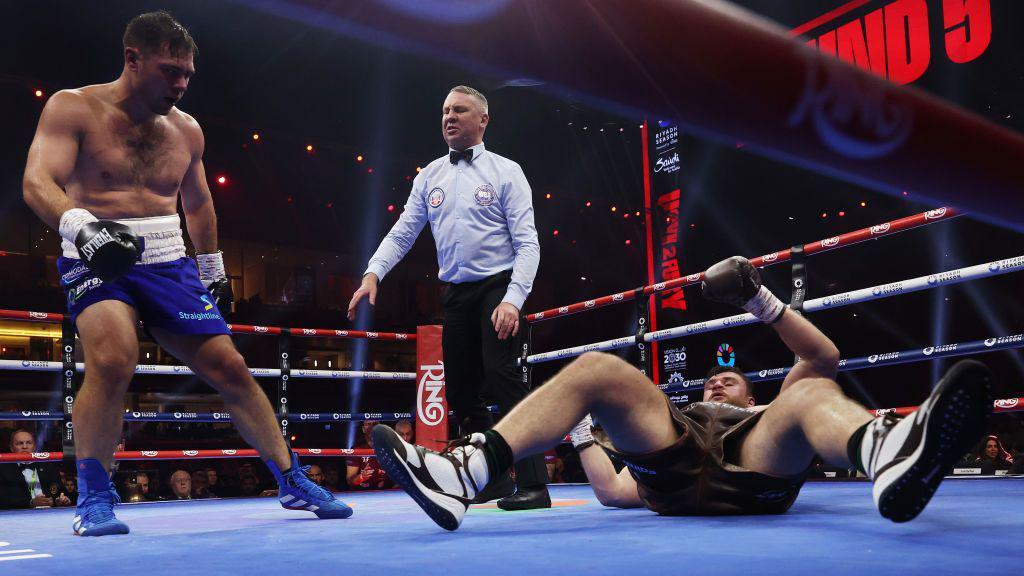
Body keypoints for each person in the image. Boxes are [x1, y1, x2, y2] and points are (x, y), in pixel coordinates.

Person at [20, 11, 351, 535]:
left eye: (187, 75)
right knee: (113, 358)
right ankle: (94, 499)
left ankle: (291, 480)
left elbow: (198, 204)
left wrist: (214, 267)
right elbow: (37, 181)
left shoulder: (186, 130)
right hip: (98, 254)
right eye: (170, 71)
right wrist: (83, 229)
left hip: (170, 261)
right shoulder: (74, 107)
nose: (180, 84)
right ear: (133, 59)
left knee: (231, 368)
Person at [373, 256, 994, 530]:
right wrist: (588, 423)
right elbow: (617, 494)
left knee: (810, 394)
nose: (717, 380)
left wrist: (758, 297)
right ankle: (463, 474)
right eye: (710, 380)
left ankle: (889, 454)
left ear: (749, 392)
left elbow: (824, 356)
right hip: (674, 465)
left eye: (729, 379)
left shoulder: (768, 412)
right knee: (597, 368)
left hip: (754, 464)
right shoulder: (680, 413)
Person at [349, 85, 548, 510]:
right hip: (456, 293)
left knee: (503, 376)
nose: (449, 117)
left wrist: (513, 299)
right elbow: (404, 230)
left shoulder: (507, 171)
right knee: (459, 392)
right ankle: (492, 481)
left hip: (499, 285)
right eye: (445, 111)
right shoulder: (430, 175)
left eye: (460, 110)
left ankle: (535, 484)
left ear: (483, 120)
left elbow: (528, 243)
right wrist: (373, 272)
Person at [0, 429, 72, 509]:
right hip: (18, 516)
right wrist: (30, 503)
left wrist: (62, 500)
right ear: (11, 448)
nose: (25, 447)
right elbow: (3, 500)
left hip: (50, 515)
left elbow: (61, 493)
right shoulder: (3, 470)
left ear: (34, 446)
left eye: (29, 443)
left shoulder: (48, 466)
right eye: (20, 443)